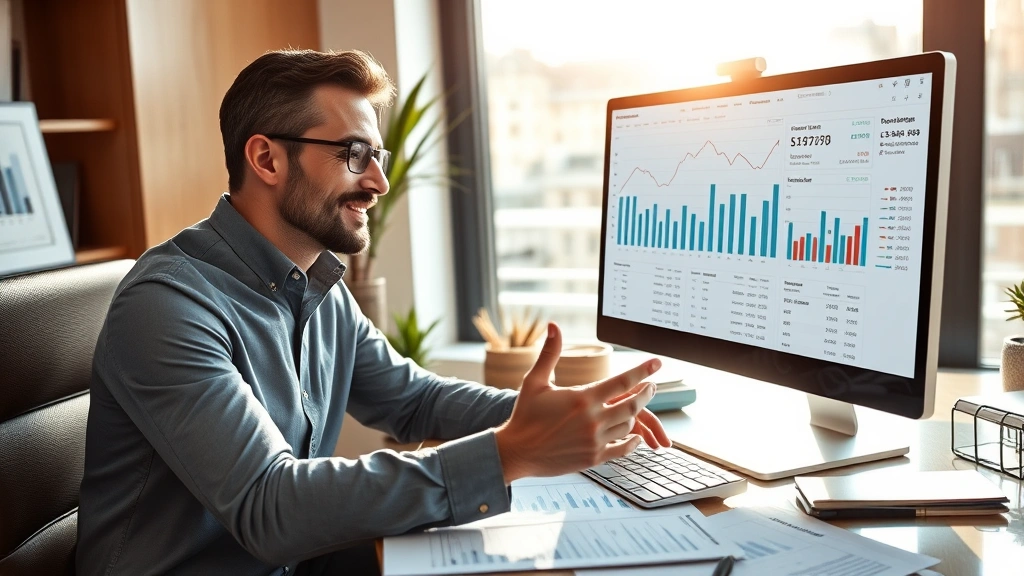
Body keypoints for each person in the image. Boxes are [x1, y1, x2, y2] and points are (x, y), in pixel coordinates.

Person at [76, 49, 671, 576]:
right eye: (355, 154)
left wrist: (561, 416)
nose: (380, 182)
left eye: (377, 155)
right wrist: (510, 452)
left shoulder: (318, 287)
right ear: (266, 159)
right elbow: (268, 506)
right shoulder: (168, 305)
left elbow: (415, 401)